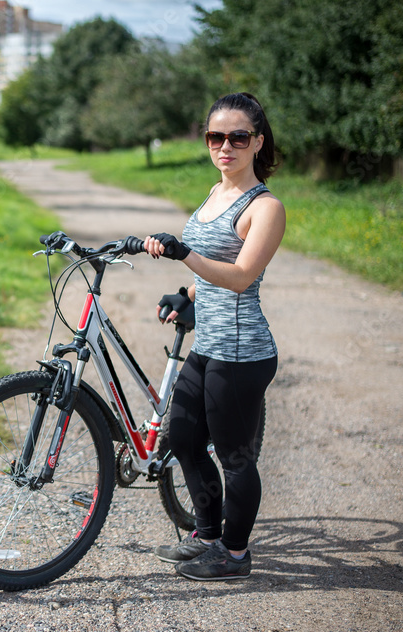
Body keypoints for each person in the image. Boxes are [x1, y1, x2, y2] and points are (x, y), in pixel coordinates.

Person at [143, 92, 285, 581]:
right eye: (215, 136)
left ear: (257, 142)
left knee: (234, 457)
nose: (226, 146)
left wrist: (184, 257)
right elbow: (208, 269)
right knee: (181, 436)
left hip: (242, 353)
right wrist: (187, 293)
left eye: (238, 137)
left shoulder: (265, 207)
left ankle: (236, 555)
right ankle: (206, 535)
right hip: (208, 345)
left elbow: (242, 275)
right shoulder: (214, 191)